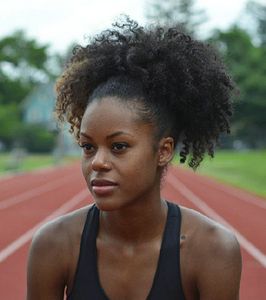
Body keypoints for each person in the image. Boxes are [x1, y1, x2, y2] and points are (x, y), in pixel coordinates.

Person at [26, 16, 242, 300]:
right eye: (88, 147)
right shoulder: (54, 245)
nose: (97, 162)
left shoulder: (212, 250)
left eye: (118, 147)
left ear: (163, 151)